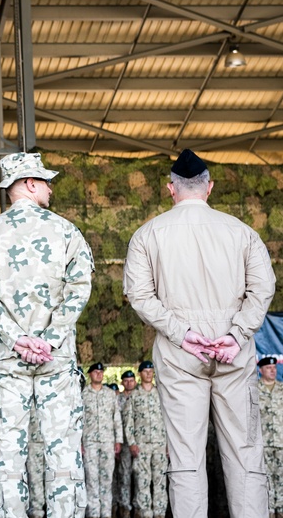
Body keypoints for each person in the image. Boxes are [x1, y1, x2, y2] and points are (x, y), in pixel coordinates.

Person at [124, 148, 276, 518]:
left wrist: (182, 332)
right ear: (209, 188)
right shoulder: (242, 233)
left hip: (181, 355)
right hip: (233, 353)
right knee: (245, 451)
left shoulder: (147, 235)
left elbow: (138, 294)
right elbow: (264, 288)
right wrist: (237, 334)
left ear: (170, 189)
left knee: (186, 455)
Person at [0, 152, 94, 518]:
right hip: (56, 361)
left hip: (8, 363)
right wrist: (49, 339)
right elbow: (79, 288)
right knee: (64, 457)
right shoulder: (66, 231)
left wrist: (16, 339)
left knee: (8, 462)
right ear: (31, 183)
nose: (50, 189)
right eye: (46, 182)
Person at [124, 360, 166, 518]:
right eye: (145, 371)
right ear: (140, 374)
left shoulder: (161, 394)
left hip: (160, 443)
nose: (149, 373)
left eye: (151, 370)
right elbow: (129, 421)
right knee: (142, 481)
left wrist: (169, 444)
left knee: (160, 481)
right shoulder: (134, 395)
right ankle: (145, 514)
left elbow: (168, 420)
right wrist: (132, 442)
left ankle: (160, 513)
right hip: (141, 445)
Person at [82, 362, 122, 518]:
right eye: (95, 372)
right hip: (90, 443)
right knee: (92, 481)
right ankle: (93, 514)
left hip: (107, 442)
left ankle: (106, 514)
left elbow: (116, 418)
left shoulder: (110, 394)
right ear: (90, 374)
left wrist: (118, 440)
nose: (99, 374)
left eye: (101, 372)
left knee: (106, 481)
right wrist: (79, 442)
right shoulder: (83, 394)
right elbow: (79, 420)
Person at [260, 356, 283, 518]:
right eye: (268, 368)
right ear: (260, 370)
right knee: (265, 479)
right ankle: (268, 511)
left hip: (281, 441)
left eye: (274, 368)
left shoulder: (282, 389)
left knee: (281, 478)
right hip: (263, 442)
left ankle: (280, 510)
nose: (272, 370)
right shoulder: (254, 389)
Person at [114, 370, 136, 518]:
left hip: (139, 443)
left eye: (131, 380)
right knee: (124, 476)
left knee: (141, 477)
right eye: (126, 381)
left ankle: (139, 508)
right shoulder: (117, 399)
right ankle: (125, 508)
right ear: (122, 382)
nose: (128, 383)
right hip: (124, 444)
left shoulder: (140, 396)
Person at [26, 409, 46, 518]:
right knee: (35, 480)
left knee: (56, 480)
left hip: (55, 441)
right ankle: (36, 513)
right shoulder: (27, 392)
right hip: (33, 440)